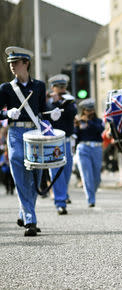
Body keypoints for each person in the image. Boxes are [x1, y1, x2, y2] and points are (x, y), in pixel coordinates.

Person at [0, 46, 61, 236]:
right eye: (10, 63)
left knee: (35, 177)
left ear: (26, 63)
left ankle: (25, 212)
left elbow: (42, 111)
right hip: (16, 134)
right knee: (19, 170)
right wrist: (6, 113)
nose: (11, 66)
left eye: (15, 63)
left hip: (36, 133)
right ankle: (30, 220)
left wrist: (52, 114)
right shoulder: (6, 88)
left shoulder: (39, 86)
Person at [46, 74, 77, 215]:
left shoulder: (69, 100)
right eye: (59, 87)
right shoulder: (47, 101)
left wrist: (61, 103)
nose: (62, 89)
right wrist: (53, 103)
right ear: (53, 88)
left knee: (67, 171)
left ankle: (63, 195)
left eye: (64, 87)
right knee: (56, 172)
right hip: (54, 141)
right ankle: (60, 202)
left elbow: (72, 113)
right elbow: (44, 115)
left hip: (67, 140)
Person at [75, 99, 104, 207]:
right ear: (83, 110)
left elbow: (100, 130)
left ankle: (92, 192)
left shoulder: (98, 121)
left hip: (96, 148)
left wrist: (88, 121)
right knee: (87, 175)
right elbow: (76, 136)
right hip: (83, 148)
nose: (90, 112)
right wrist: (77, 126)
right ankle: (90, 199)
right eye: (88, 110)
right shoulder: (79, 121)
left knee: (97, 177)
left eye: (92, 109)